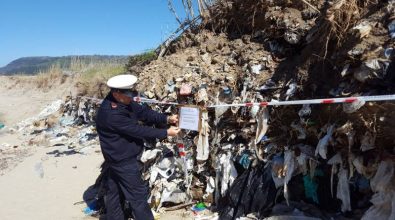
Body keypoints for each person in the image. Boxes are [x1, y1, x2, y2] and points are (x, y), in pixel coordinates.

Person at [95, 74, 180, 220]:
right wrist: (166, 132)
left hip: (114, 157)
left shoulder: (123, 101)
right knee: (137, 196)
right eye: (129, 94)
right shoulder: (111, 113)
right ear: (117, 93)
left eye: (133, 93)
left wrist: (166, 118)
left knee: (114, 192)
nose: (132, 97)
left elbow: (143, 113)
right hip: (122, 160)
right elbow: (138, 130)